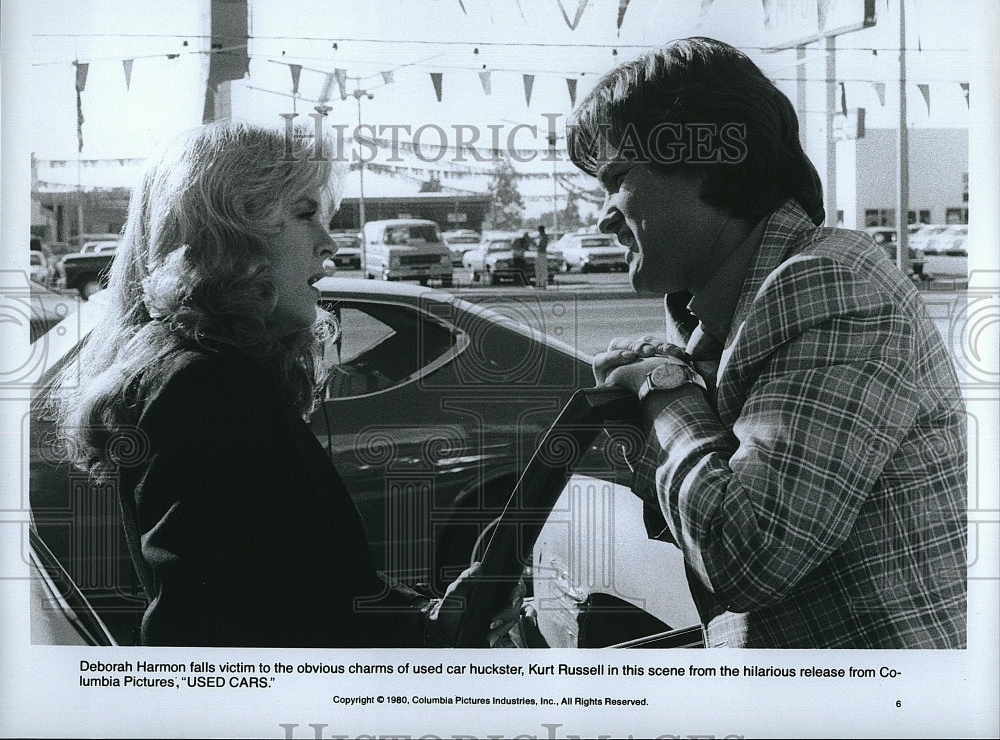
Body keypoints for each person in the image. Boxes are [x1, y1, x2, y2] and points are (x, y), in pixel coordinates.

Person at [566, 37, 967, 649]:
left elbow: (746, 553)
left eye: (617, 178)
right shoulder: (724, 313)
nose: (603, 215)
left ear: (705, 164)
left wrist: (663, 389)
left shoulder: (830, 283)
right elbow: (690, 523)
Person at [47, 122, 504, 647]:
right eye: (305, 214)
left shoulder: (205, 372)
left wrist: (426, 620)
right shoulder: (206, 387)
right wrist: (420, 636)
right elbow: (206, 634)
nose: (329, 243)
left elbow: (295, 590)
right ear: (232, 232)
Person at [534, 224, 549, 289]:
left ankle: (544, 283)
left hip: (542, 253)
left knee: (543, 269)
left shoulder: (544, 237)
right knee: (538, 269)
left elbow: (542, 246)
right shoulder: (540, 237)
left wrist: (535, 244)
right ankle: (539, 283)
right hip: (539, 253)